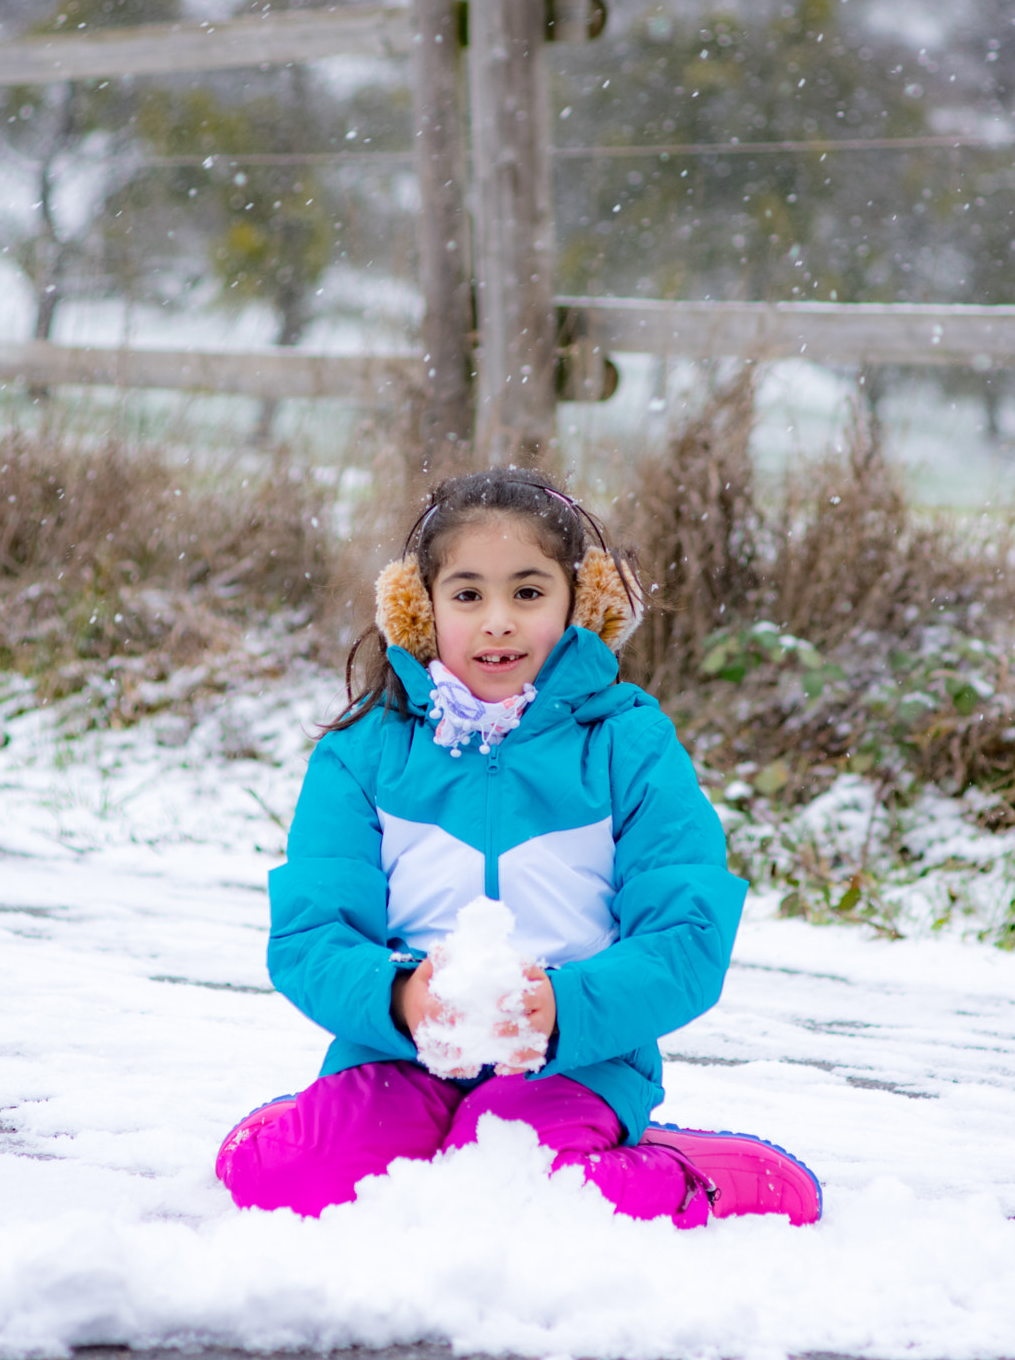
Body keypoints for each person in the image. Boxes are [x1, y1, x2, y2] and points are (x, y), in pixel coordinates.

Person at [214, 468, 822, 1228]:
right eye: (468, 595)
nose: (497, 621)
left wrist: (562, 1009)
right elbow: (310, 934)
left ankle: (696, 1177)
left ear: (580, 603)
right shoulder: (362, 753)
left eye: (528, 593)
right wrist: (400, 998)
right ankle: (329, 1129)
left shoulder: (627, 745)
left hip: (578, 1055)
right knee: (305, 1183)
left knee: (519, 1194)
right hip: (397, 1051)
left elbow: (687, 936)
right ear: (420, 607)